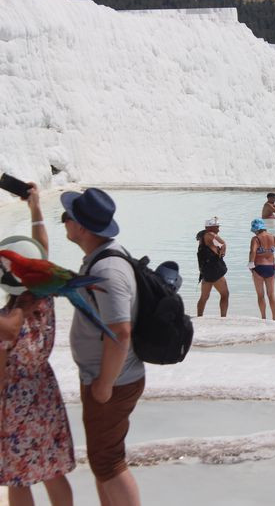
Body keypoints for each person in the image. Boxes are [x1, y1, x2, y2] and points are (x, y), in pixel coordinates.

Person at [60, 187, 145, 505]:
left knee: (109, 462)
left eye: (67, 217)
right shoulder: (102, 259)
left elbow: (121, 331)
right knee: (103, 461)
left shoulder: (106, 270)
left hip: (112, 380)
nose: (64, 222)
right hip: (108, 377)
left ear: (81, 226)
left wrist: (105, 384)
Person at [1, 184, 75, 506]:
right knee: (52, 471)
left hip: (14, 400)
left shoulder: (6, 321)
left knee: (18, 476)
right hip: (44, 390)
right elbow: (42, 252)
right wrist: (35, 209)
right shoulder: (44, 299)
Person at [248, 219, 275, 321]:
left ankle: (263, 318)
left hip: (258, 268)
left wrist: (251, 264)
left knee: (260, 295)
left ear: (256, 229)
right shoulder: (272, 237)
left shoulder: (256, 239)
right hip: (270, 268)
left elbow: (253, 251)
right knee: (271, 294)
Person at [195, 217, 229, 317]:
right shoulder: (210, 234)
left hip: (206, 271)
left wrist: (218, 251)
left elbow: (212, 248)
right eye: (217, 227)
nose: (218, 229)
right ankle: (223, 317)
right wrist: (222, 254)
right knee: (225, 294)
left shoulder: (202, 237)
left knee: (204, 297)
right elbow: (223, 244)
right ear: (211, 227)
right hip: (214, 271)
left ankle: (199, 316)